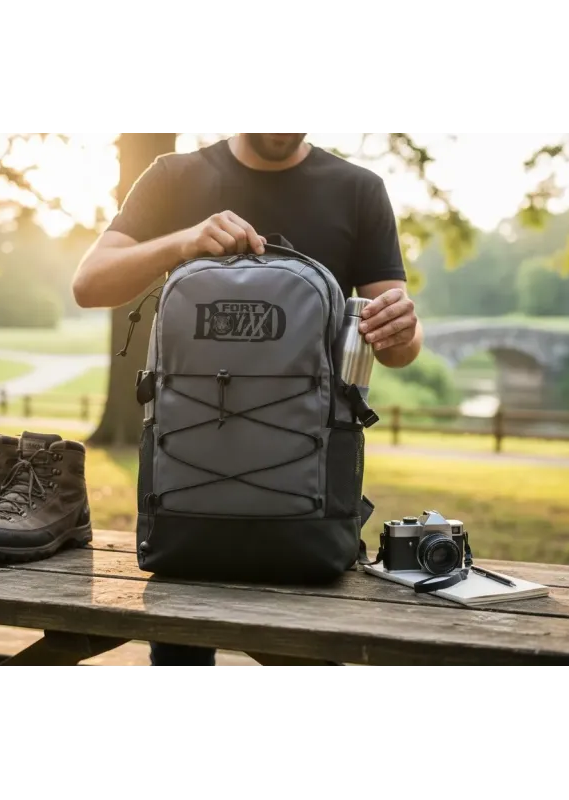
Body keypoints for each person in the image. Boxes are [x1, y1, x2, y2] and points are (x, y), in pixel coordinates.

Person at [73, 129, 423, 671]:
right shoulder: (175, 175)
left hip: (307, 509)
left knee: (304, 672)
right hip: (186, 505)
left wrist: (404, 329)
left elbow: (397, 345)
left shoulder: (357, 188)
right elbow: (90, 284)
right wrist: (184, 242)